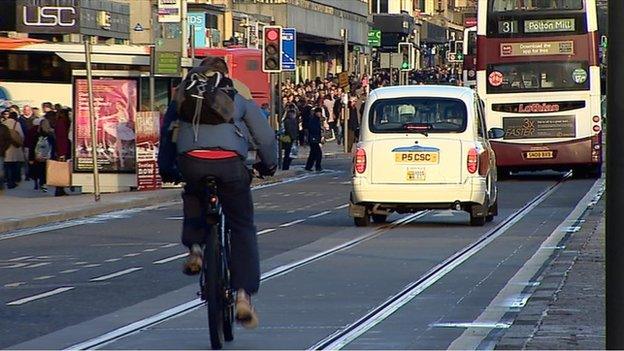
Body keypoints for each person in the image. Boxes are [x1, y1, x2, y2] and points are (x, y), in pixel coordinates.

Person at [158, 57, 277, 330]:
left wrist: (167, 169)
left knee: (194, 194)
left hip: (191, 161)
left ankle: (196, 249)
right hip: (229, 165)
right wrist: (268, 165)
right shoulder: (237, 93)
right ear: (226, 75)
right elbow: (266, 137)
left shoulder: (185, 93)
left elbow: (167, 134)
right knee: (241, 225)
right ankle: (243, 296)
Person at [3, 111, 25, 188]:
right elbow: (21, 136)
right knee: (14, 165)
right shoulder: (17, 124)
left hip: (5, 147)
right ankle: (13, 180)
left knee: (6, 165)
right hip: (15, 147)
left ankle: (7, 180)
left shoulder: (3, 123)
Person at [305, 107, 323, 172]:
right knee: (318, 154)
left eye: (320, 112)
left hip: (315, 138)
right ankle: (317, 166)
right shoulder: (313, 119)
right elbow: (312, 129)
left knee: (313, 154)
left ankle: (308, 166)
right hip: (313, 138)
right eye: (318, 112)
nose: (319, 114)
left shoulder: (317, 119)